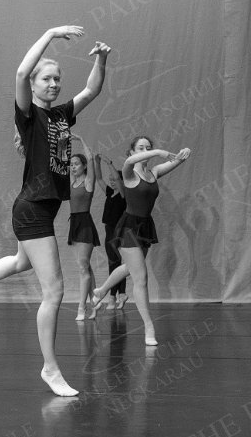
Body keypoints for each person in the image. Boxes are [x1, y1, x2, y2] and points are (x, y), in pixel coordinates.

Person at [0, 26, 110, 397]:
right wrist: (50, 33)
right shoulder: (29, 116)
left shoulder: (61, 115)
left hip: (38, 208)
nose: (54, 84)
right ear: (33, 84)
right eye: (47, 78)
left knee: (19, 263)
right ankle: (50, 369)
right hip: (32, 209)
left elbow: (91, 91)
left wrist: (102, 60)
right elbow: (19, 72)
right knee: (55, 291)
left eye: (58, 79)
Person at [90, 137, 191, 346]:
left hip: (144, 226)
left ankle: (101, 290)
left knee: (130, 268)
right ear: (132, 152)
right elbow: (129, 162)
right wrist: (157, 152)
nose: (145, 150)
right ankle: (148, 327)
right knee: (141, 278)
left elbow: (175, 161)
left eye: (148, 147)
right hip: (129, 227)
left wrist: (183, 154)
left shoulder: (154, 173)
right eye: (141, 148)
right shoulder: (129, 173)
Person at [67, 134, 100, 321]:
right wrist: (62, 145)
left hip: (85, 224)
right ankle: (95, 303)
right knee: (85, 266)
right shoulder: (72, 182)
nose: (73, 167)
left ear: (84, 166)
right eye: (71, 164)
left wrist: (80, 139)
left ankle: (81, 308)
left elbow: (90, 157)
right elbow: (60, 161)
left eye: (76, 164)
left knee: (82, 267)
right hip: (74, 224)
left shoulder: (88, 181)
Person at [94, 153, 129, 310]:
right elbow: (99, 179)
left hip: (118, 231)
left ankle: (113, 297)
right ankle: (121, 294)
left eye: (115, 180)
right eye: (111, 180)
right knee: (114, 262)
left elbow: (119, 181)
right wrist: (97, 162)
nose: (112, 182)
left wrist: (109, 163)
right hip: (108, 230)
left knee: (114, 263)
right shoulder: (109, 192)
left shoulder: (123, 195)